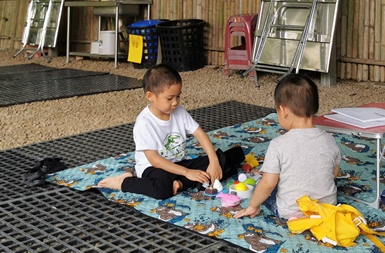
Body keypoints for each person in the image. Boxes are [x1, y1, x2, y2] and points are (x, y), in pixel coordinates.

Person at [97, 63, 244, 199]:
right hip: (154, 168)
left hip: (180, 163)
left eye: (178, 96)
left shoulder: (179, 111)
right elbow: (155, 160)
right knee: (162, 189)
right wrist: (187, 172)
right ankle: (125, 181)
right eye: (169, 98)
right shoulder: (144, 123)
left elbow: (199, 133)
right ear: (150, 96)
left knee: (234, 155)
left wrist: (214, 161)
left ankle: (180, 184)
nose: (175, 102)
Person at [235, 73, 341, 221]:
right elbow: (333, 174)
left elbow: (268, 184)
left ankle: (293, 214)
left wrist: (253, 205)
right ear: (315, 107)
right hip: (326, 208)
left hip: (290, 211)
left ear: (283, 111)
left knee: (262, 182)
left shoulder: (278, 144)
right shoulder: (330, 139)